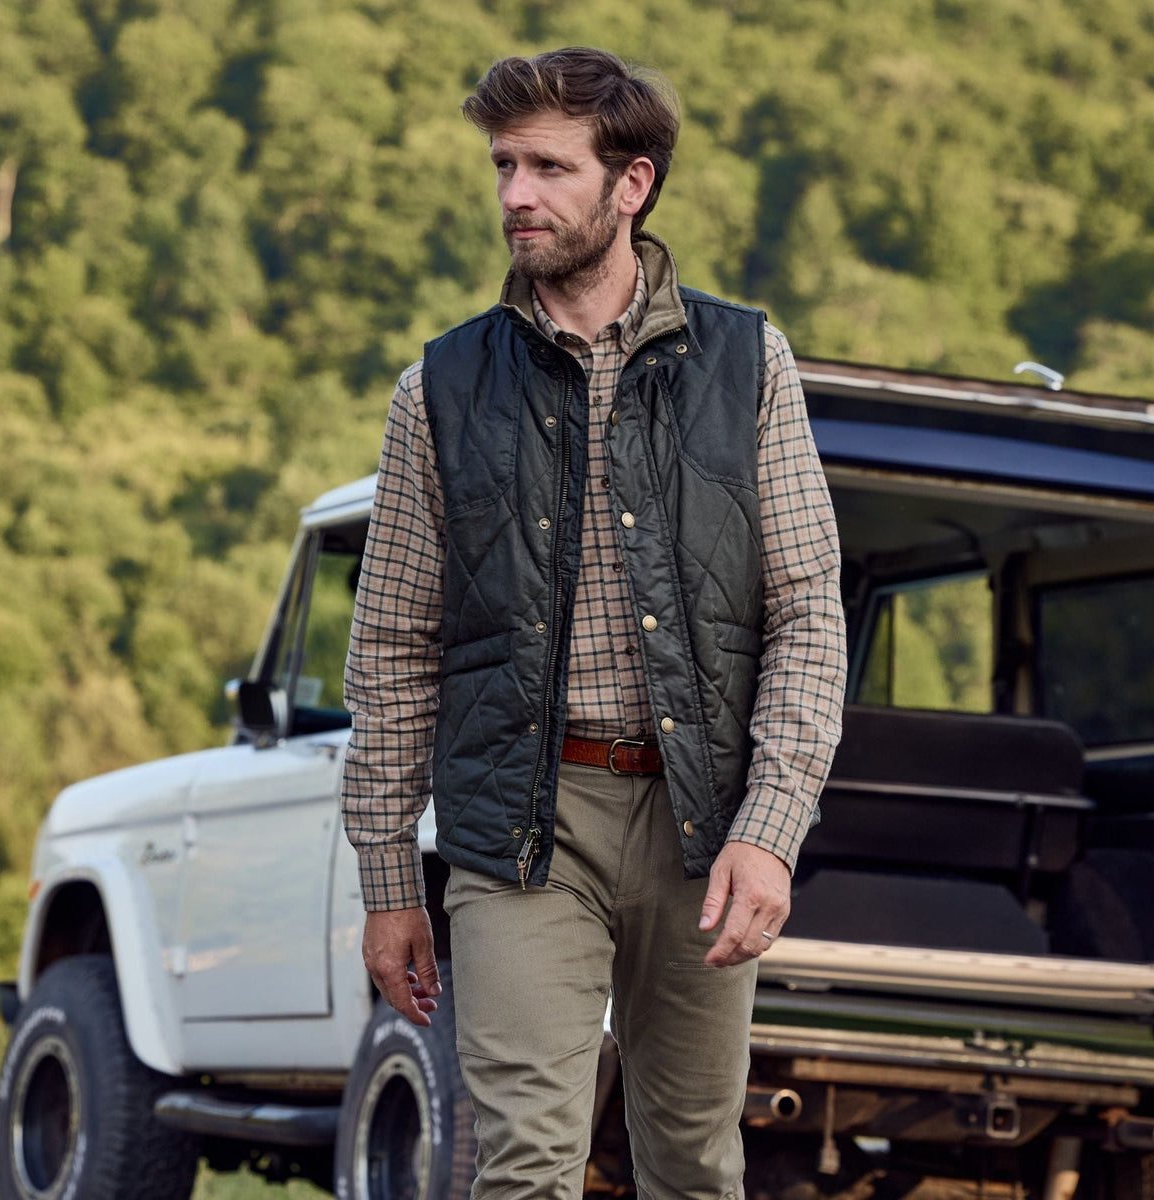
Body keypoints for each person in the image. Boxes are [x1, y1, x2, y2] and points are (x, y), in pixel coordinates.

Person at [342, 47, 846, 1200]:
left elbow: (810, 609)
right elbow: (392, 647)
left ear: (632, 184)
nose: (517, 194)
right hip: (522, 820)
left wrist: (771, 826)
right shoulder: (441, 387)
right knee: (523, 1160)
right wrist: (387, 880)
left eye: (549, 167)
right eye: (504, 165)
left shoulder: (747, 362)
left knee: (693, 1163)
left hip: (702, 819)